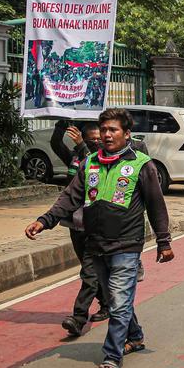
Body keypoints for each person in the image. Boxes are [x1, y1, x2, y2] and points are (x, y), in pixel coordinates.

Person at [25, 108, 173, 368]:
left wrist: (164, 242)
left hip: (127, 245)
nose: (106, 134)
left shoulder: (142, 164)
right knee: (117, 299)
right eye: (104, 130)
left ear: (126, 134)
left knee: (118, 301)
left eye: (113, 130)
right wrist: (44, 221)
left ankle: (112, 356)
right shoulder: (89, 163)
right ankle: (135, 336)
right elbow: (70, 197)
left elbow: (156, 205)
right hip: (95, 244)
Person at [50, 120, 110, 334]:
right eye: (90, 140)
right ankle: (107, 303)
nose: (96, 142)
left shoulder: (104, 159)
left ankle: (78, 317)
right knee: (90, 269)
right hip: (75, 223)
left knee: (89, 272)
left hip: (96, 224)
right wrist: (61, 124)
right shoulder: (74, 157)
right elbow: (56, 144)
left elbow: (95, 167)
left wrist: (82, 145)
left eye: (98, 139)